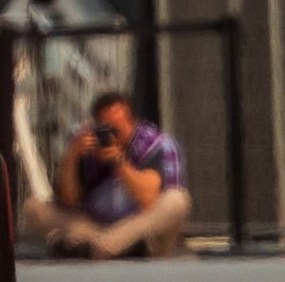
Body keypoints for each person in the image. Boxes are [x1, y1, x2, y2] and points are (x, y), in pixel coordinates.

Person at [28, 91, 192, 258]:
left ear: (132, 122)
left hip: (140, 231)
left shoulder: (156, 145)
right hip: (94, 226)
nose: (112, 136)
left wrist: (118, 162)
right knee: (34, 209)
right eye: (105, 129)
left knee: (176, 200)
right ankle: (103, 245)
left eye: (116, 129)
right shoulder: (86, 146)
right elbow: (68, 201)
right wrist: (72, 155)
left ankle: (102, 246)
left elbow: (149, 198)